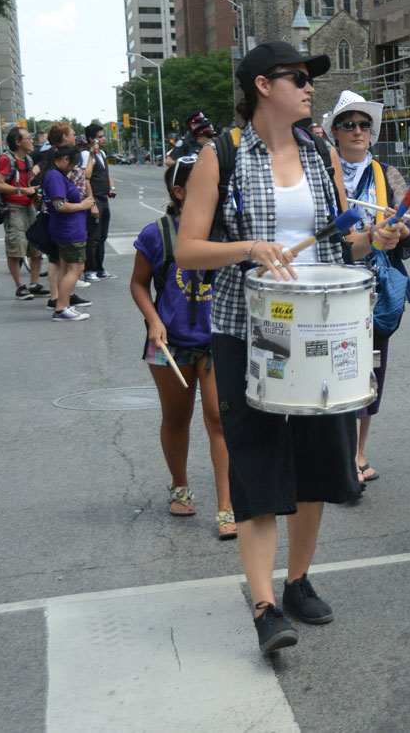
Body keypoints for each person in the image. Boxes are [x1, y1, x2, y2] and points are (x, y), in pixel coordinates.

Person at [175, 41, 376, 655]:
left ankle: (298, 582)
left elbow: (346, 244)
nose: (310, 85)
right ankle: (263, 605)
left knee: (316, 461)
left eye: (310, 77)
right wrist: (249, 248)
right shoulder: (224, 155)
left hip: (319, 329)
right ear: (264, 85)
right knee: (259, 462)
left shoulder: (320, 152)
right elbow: (188, 250)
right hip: (250, 330)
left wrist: (381, 237)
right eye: (298, 77)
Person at [130, 159, 234, 538]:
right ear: (179, 192)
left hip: (216, 339)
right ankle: (179, 485)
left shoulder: (222, 230)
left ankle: (227, 506)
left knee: (219, 419)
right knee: (176, 418)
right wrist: (154, 321)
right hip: (169, 343)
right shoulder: (156, 233)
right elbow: (139, 284)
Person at [322, 90, 410, 488]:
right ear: (334, 133)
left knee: (372, 368)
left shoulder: (388, 175)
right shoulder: (321, 173)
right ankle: (336, 449)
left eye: (364, 124)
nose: (358, 130)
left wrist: (401, 232)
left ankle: (359, 452)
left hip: (376, 286)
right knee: (332, 364)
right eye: (349, 124)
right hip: (334, 280)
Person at [0, 127, 50, 300]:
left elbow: (28, 182)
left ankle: (34, 284)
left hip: (29, 206)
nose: (32, 140)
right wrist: (23, 190)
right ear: (18, 142)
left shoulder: (27, 159)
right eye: (28, 138)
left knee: (36, 246)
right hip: (14, 208)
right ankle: (20, 287)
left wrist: (33, 192)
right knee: (16, 248)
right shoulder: (6, 159)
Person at [41, 144, 94, 322]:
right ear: (65, 160)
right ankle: (62, 307)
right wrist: (83, 205)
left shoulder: (55, 174)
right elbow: (59, 205)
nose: (73, 169)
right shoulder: (55, 176)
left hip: (67, 229)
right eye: (72, 165)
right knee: (76, 269)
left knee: (65, 269)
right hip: (69, 231)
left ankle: (63, 305)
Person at [83, 123, 117, 281]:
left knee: (102, 236)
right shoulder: (86, 155)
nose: (104, 139)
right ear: (91, 139)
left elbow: (106, 172)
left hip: (104, 198)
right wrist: (92, 203)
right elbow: (86, 178)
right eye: (100, 137)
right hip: (94, 198)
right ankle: (90, 269)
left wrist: (111, 187)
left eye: (104, 136)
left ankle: (100, 267)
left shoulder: (102, 154)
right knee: (93, 237)